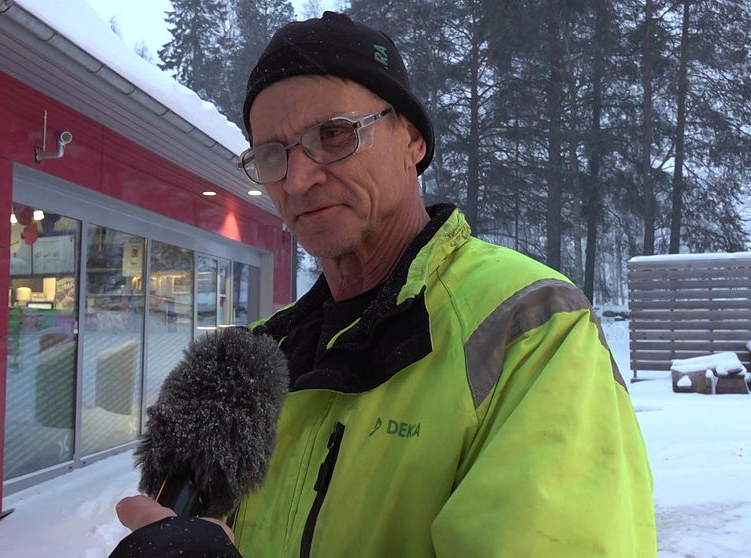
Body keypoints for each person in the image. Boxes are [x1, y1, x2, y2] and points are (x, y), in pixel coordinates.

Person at [112, 11, 656, 557]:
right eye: (273, 154)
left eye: (333, 134)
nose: (299, 179)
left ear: (413, 140)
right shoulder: (257, 366)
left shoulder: (529, 328)